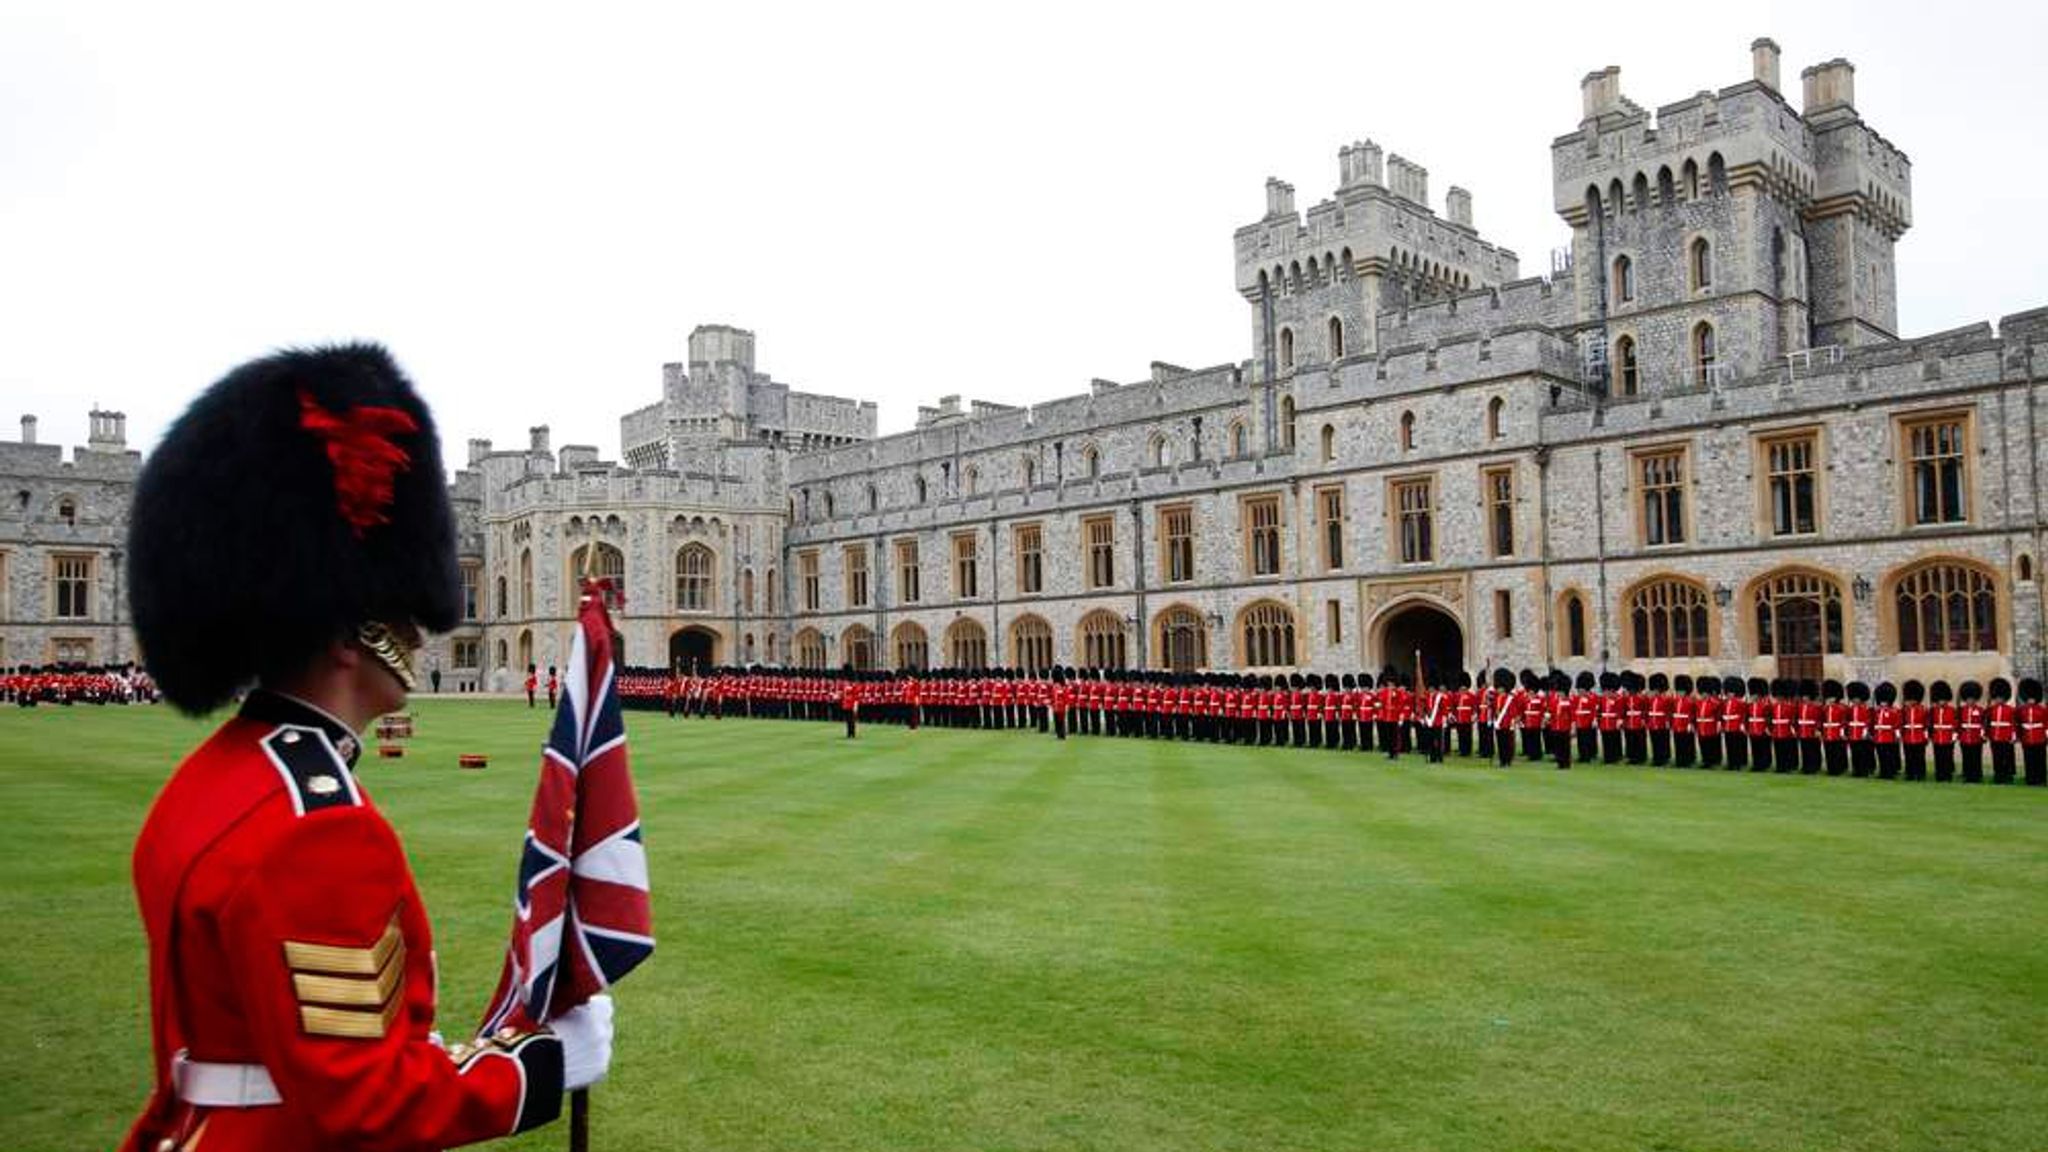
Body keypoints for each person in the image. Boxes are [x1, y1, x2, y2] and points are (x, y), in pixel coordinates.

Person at [119, 346, 611, 1151]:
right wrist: (538, 1068)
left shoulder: (211, 782)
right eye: (401, 614)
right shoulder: (317, 829)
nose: (422, 634)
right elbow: (366, 1100)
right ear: (348, 629)